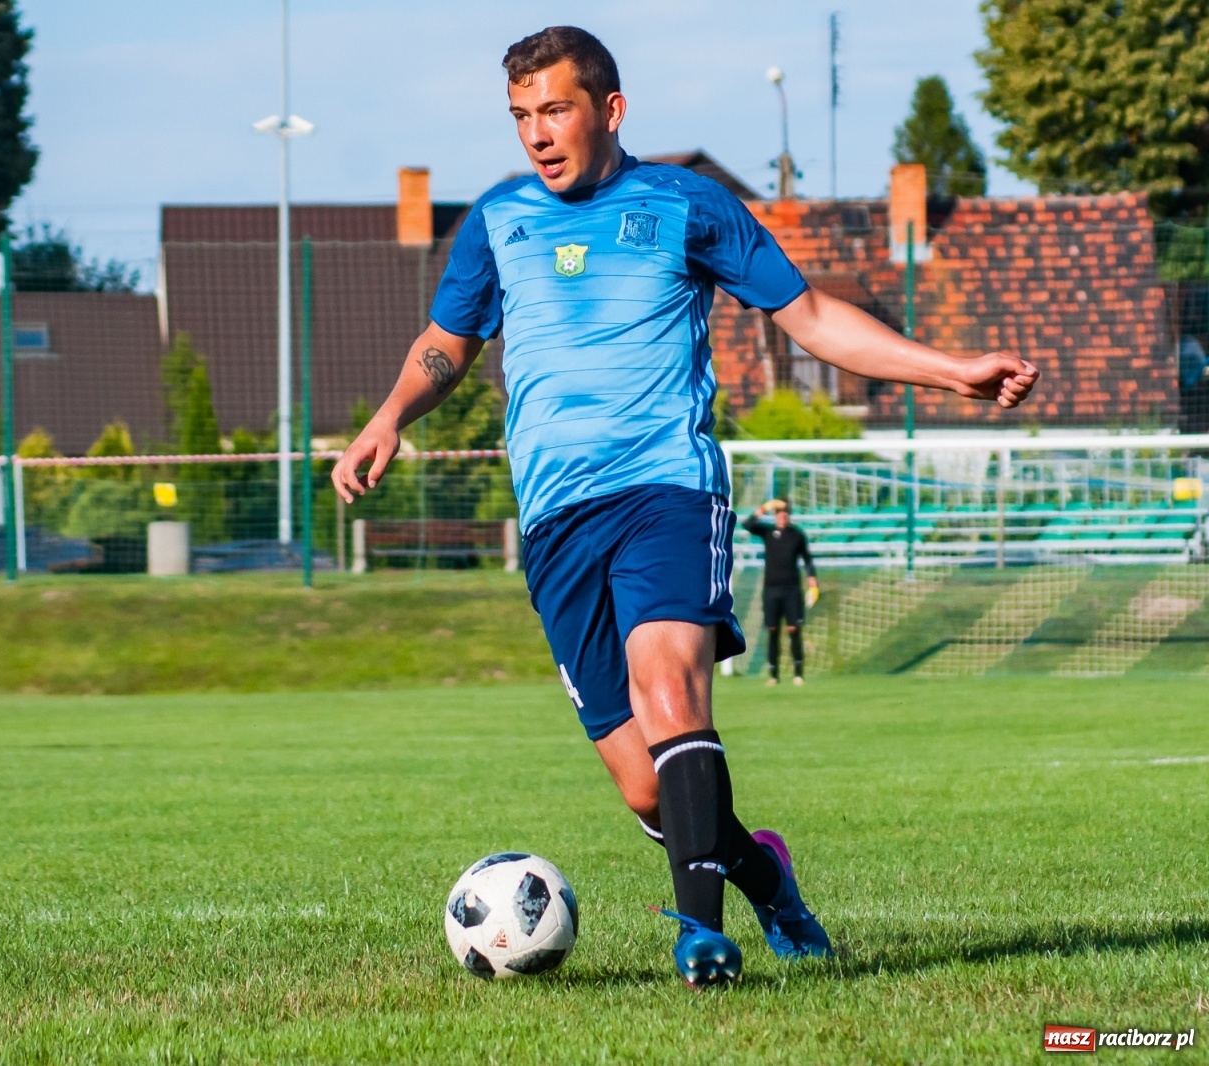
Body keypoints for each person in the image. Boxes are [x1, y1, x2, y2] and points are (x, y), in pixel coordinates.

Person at [331, 26, 1038, 987]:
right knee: (645, 786)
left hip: (668, 488)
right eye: (521, 116)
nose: (538, 135)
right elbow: (447, 344)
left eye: (556, 110)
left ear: (610, 111)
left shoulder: (686, 205)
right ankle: (763, 873)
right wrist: (389, 417)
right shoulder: (498, 221)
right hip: (556, 522)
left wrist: (950, 370)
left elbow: (813, 317)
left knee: (672, 688)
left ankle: (701, 936)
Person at [743, 499, 817, 686]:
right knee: (772, 630)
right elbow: (748, 524)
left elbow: (807, 560)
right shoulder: (768, 532)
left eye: (785, 513)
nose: (782, 516)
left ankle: (798, 673)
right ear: (775, 515)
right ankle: (773, 675)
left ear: (789, 515)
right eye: (779, 513)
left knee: (793, 629)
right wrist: (764, 507)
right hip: (771, 590)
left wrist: (813, 583)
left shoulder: (797, 535)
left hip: (792, 590)